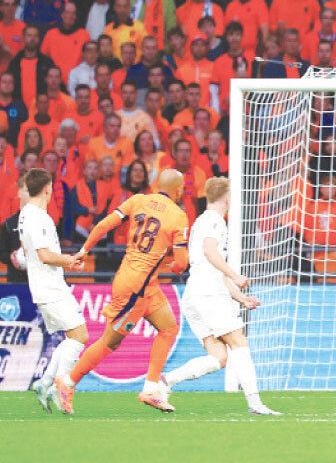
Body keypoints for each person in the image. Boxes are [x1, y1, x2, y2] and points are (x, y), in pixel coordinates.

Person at [52, 169, 190, 414]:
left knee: (168, 328)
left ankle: (151, 389)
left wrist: (84, 250)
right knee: (110, 342)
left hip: (139, 281)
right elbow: (181, 263)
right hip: (136, 288)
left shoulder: (138, 200)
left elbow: (105, 224)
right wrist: (173, 264)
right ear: (178, 190)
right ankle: (68, 382)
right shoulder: (179, 216)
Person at [160, 177, 281, 415]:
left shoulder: (201, 221)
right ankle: (255, 403)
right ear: (227, 197)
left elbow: (214, 268)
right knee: (239, 343)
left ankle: (165, 381)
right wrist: (235, 275)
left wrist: (240, 298)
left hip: (196, 292)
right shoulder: (215, 221)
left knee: (219, 357)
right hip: (208, 294)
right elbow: (210, 252)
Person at [18, 169, 88, 413]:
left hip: (48, 285)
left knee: (72, 337)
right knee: (80, 336)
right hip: (49, 288)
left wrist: (66, 262)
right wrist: (70, 260)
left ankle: (45, 382)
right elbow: (45, 255)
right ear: (47, 189)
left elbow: (27, 250)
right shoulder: (37, 217)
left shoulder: (26, 214)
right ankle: (60, 386)